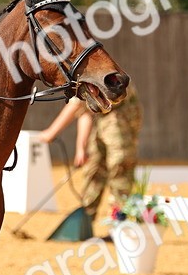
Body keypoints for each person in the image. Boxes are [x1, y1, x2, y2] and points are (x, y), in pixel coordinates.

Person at [37, 84, 144, 224]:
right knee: (94, 168)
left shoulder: (92, 71)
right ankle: (85, 221)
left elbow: (76, 105)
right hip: (101, 118)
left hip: (121, 117)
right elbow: (84, 112)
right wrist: (81, 148)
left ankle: (120, 224)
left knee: (120, 168)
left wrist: (51, 132)